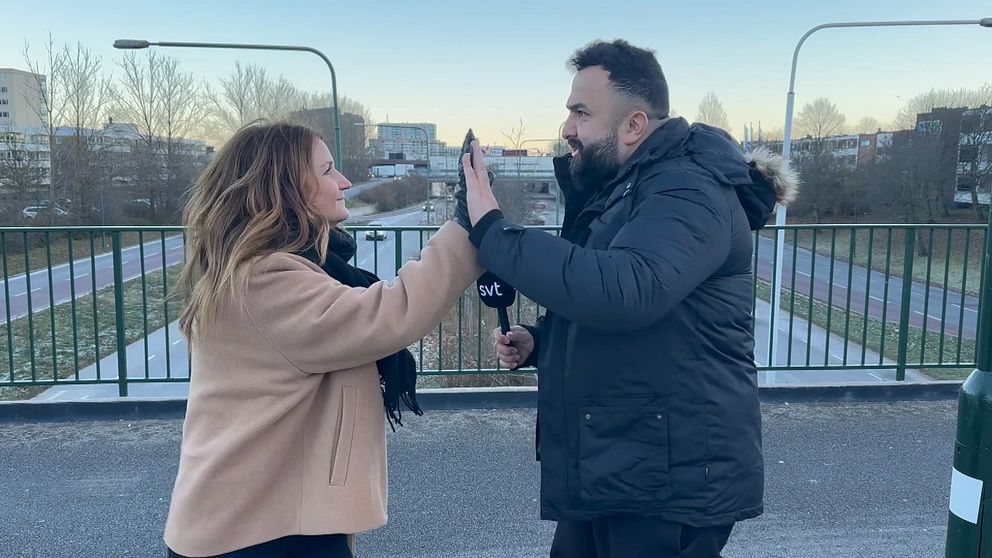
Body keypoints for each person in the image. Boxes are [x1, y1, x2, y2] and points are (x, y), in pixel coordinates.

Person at [461, 40, 798, 558]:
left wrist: (494, 231)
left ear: (634, 125)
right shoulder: (631, 186)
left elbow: (629, 290)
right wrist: (541, 341)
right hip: (621, 461)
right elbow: (617, 303)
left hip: (668, 481)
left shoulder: (689, 189)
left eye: (580, 112)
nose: (567, 128)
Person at [164, 122, 481, 558]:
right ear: (286, 188)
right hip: (257, 534)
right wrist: (466, 227)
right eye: (328, 170)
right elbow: (390, 314)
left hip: (263, 518)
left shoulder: (278, 271)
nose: (345, 182)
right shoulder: (266, 283)